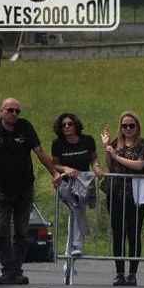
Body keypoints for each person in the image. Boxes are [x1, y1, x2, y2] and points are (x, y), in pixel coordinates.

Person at [0, 98, 63, 285]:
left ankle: (17, 269)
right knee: (1, 230)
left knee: (22, 231)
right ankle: (7, 269)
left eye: (17, 111)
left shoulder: (25, 127)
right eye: (10, 110)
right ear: (1, 111)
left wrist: (53, 172)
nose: (14, 114)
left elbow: (39, 151)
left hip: (23, 188)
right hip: (2, 188)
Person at [100, 111, 144, 287]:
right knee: (118, 233)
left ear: (137, 126)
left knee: (133, 233)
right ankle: (119, 272)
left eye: (131, 125)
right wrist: (107, 147)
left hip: (136, 195)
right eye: (124, 125)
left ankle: (132, 273)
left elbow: (140, 165)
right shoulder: (117, 144)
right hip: (116, 192)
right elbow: (110, 166)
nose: (128, 128)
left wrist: (117, 156)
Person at [51, 112, 105, 275]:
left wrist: (96, 166)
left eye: (70, 124)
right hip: (66, 185)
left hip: (83, 184)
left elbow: (94, 159)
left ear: (76, 125)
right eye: (63, 125)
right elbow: (55, 164)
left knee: (74, 216)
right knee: (76, 210)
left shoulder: (87, 140)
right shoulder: (57, 144)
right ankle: (77, 245)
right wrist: (65, 169)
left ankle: (70, 259)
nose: (67, 127)